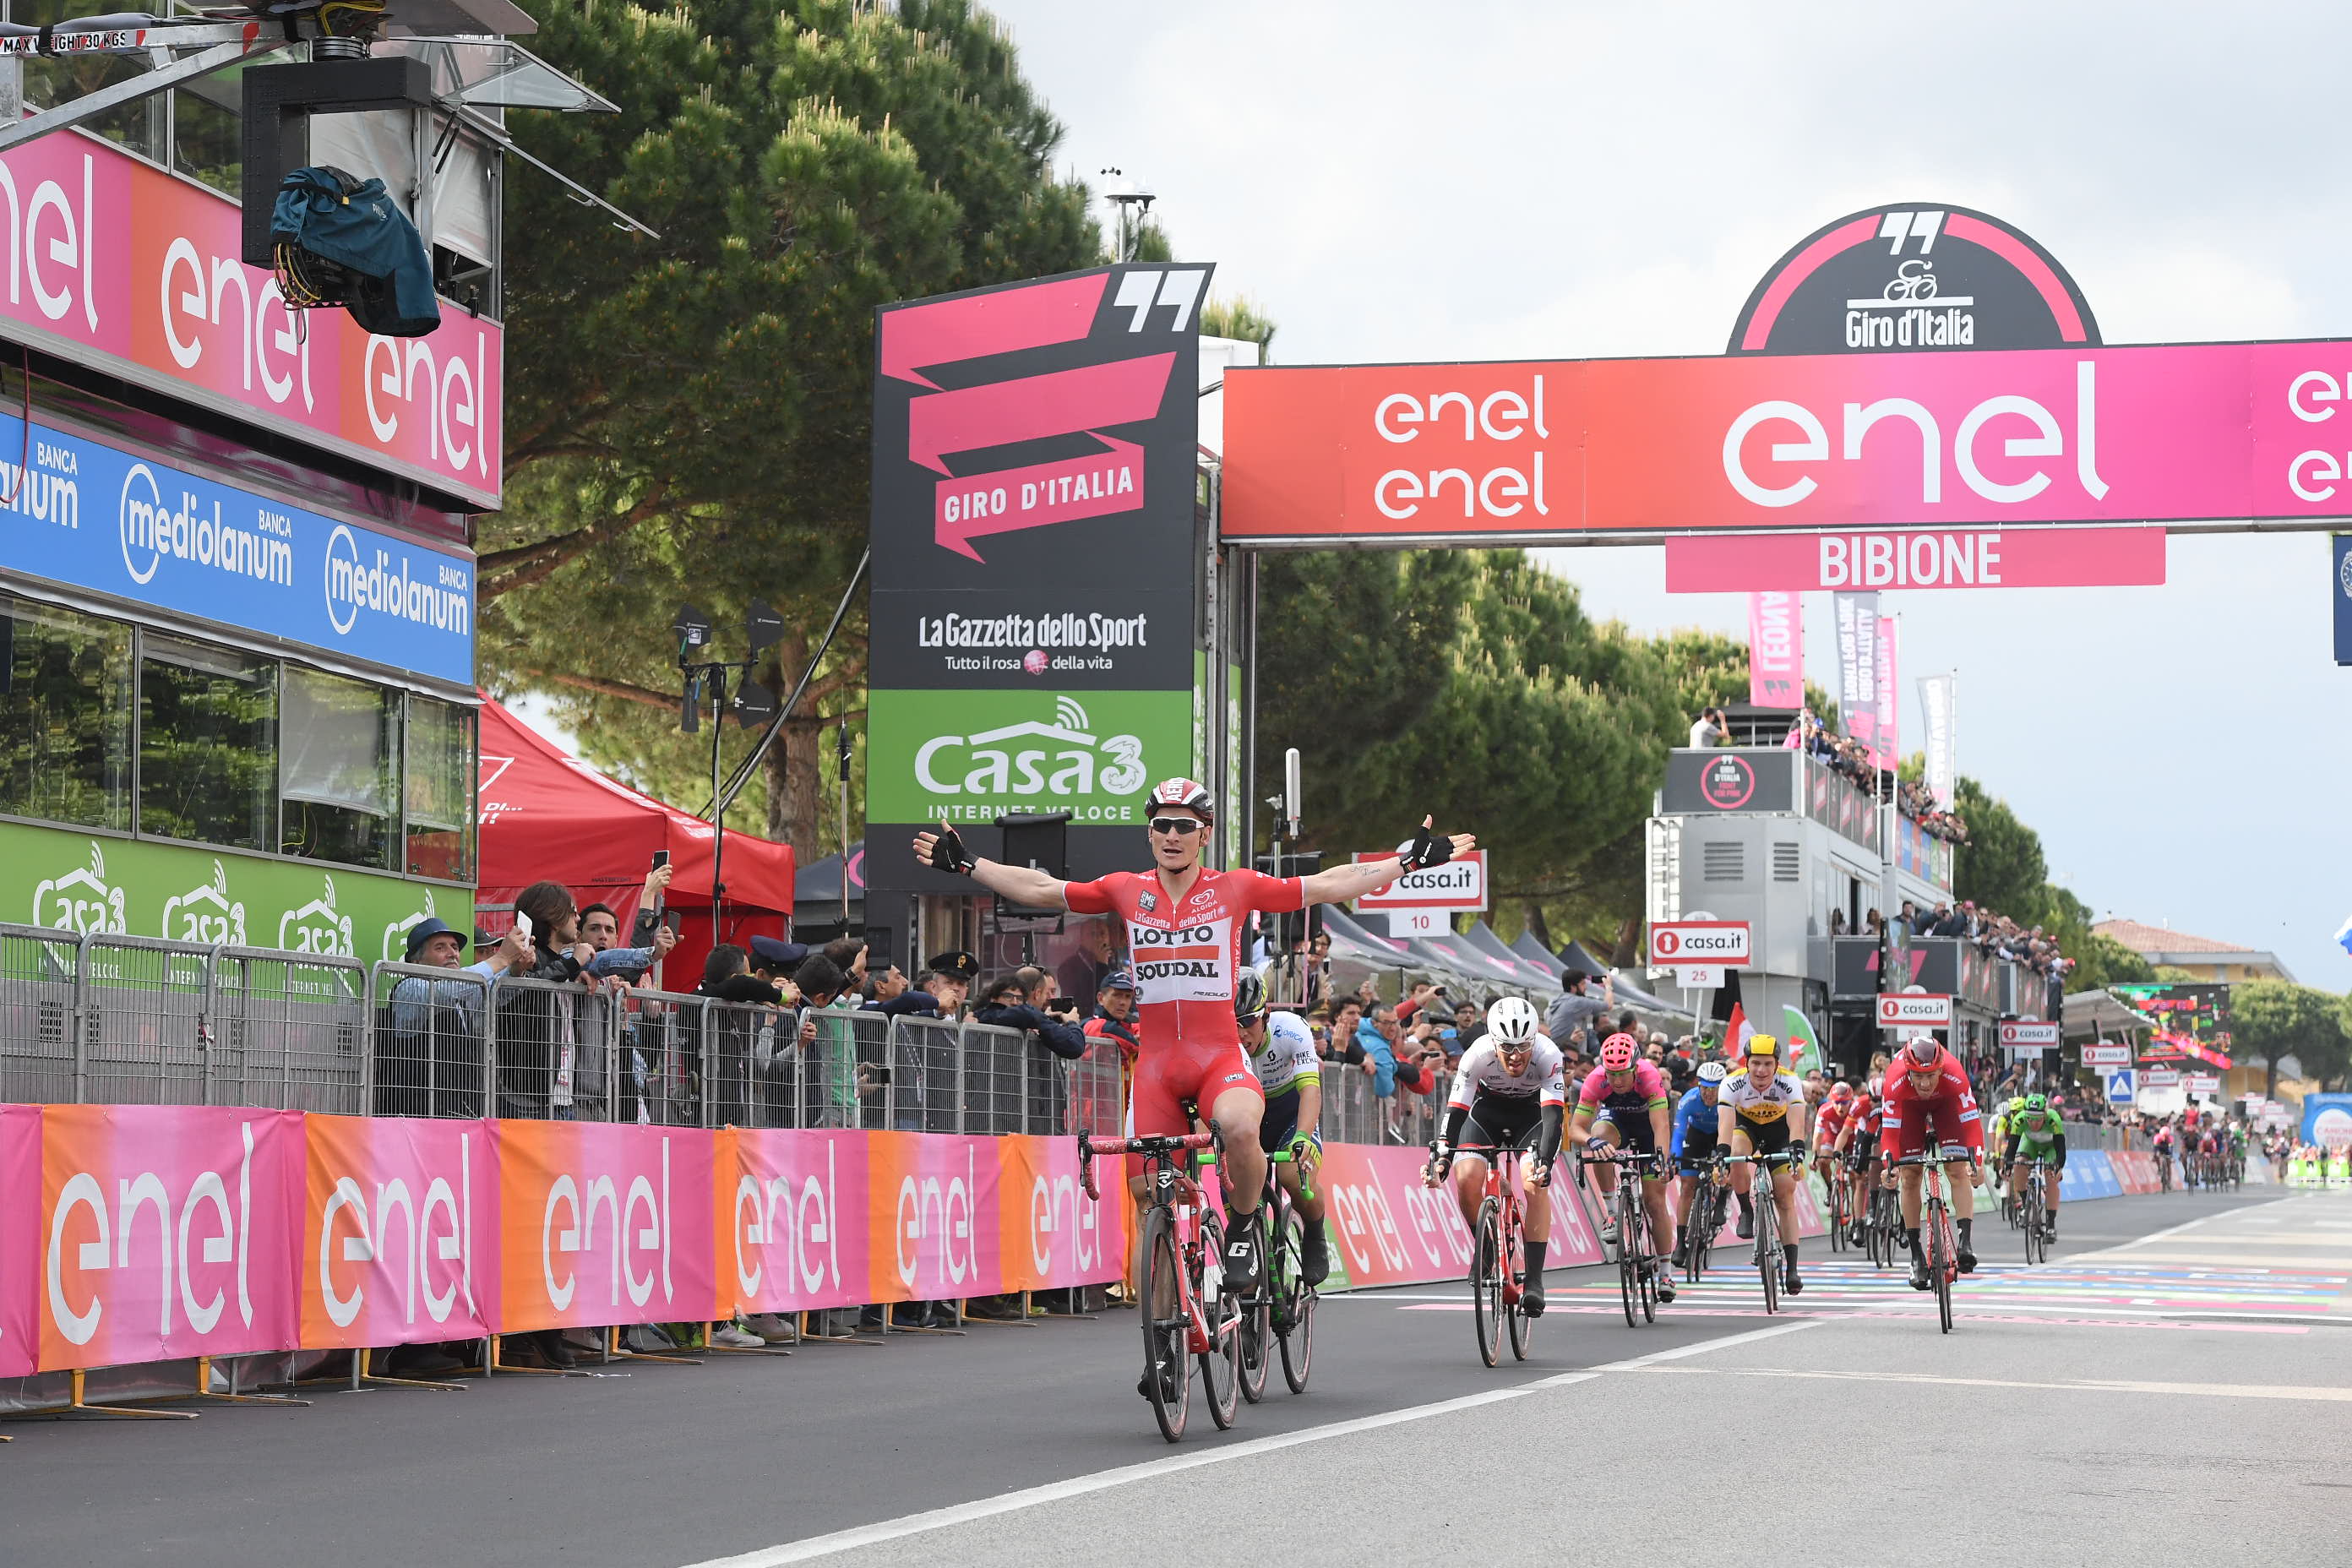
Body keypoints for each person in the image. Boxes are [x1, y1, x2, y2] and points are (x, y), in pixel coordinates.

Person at [912, 779, 1472, 1300]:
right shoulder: (1125, 890)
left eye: (1185, 825)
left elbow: (1326, 885)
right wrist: (969, 864)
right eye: (1162, 825)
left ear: (1206, 832)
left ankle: (1245, 1230)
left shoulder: (1235, 887)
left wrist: (1406, 863)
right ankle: (1166, 1340)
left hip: (1218, 1060)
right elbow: (1041, 888)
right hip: (1157, 1069)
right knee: (1145, 1196)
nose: (1172, 835)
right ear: (1149, 833)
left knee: (1239, 1126)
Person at [1425, 998, 1565, 1315]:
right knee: (1466, 1177)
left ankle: (1534, 1280)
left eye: (1522, 1047)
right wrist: (1444, 1155)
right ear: (1493, 1042)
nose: (1515, 1057)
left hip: (1533, 1116)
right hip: (1487, 1113)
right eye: (1506, 1047)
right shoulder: (1478, 1054)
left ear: (1533, 1041)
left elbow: (1554, 1117)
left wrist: (1545, 1162)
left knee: (1534, 1182)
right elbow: (1456, 1109)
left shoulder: (1547, 1053)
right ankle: (1486, 1248)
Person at [1569, 1031, 1679, 1304]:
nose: (1616, 1080)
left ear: (1635, 1067)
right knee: (1600, 1135)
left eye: (1622, 1073)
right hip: (1616, 1122)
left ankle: (1665, 1272)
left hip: (1648, 1129)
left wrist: (1662, 1157)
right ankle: (1612, 1213)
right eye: (1611, 1074)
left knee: (1655, 1202)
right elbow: (1576, 1129)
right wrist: (1591, 1141)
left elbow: (1661, 1126)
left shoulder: (1649, 1075)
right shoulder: (1596, 1080)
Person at [1234, 974, 1331, 1285]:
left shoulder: (1290, 1028)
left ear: (1265, 1015)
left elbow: (1310, 1091)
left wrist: (1303, 1136)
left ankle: (1315, 1233)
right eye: (1231, 1022)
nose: (1241, 1032)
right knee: (1239, 1196)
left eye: (1247, 1021)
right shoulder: (1224, 1042)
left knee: (1292, 1175)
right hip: (1249, 1114)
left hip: (1290, 1112)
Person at [1877, 1032, 1985, 1290]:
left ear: (1940, 1068)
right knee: (1910, 1174)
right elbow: (1890, 1133)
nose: (1925, 1083)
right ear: (1908, 1071)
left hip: (1945, 1104)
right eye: (1918, 1076)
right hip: (1910, 1110)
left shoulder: (1953, 1072)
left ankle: (1965, 1243)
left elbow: (1971, 1124)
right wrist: (1889, 1168)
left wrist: (1977, 1162)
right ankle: (1916, 1257)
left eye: (1930, 1075)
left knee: (1958, 1169)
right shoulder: (1894, 1079)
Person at [1715, 1034, 1808, 1295]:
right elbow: (1725, 1125)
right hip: (1748, 1128)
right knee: (1736, 1152)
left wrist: (1797, 1155)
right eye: (1755, 1063)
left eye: (1768, 1064)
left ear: (1777, 1065)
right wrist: (1720, 1158)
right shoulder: (1732, 1083)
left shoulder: (1790, 1081)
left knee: (1785, 1194)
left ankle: (1792, 1268)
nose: (1761, 1070)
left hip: (1780, 1132)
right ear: (1746, 1063)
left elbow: (1797, 1124)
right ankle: (1746, 1209)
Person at [1669, 1061, 1728, 1268]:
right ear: (1698, 1085)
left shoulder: (1728, 1100)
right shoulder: (1690, 1100)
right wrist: (1675, 1157)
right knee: (1687, 1186)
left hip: (1721, 1134)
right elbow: (1678, 1132)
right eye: (1704, 1088)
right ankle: (1680, 1243)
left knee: (1728, 1162)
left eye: (1713, 1089)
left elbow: (1734, 1133)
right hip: (1697, 1136)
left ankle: (1721, 1200)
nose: (1708, 1094)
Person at [2000, 1092, 2066, 1239]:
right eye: (2030, 1119)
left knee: (2051, 1176)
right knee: (2018, 1165)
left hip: (2051, 1147)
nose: (2034, 1124)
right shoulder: (2019, 1119)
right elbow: (2012, 1148)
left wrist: (2059, 1166)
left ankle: (2051, 1224)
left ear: (2045, 1114)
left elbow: (2061, 1149)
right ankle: (2026, 1204)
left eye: (2038, 1120)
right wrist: (2007, 1167)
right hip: (2031, 1145)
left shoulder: (2054, 1119)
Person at [1545, 969, 1613, 1054]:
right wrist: (1608, 986)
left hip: (1556, 1055)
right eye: (1583, 984)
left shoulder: (1554, 1003)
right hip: (1572, 1058)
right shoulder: (1577, 1002)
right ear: (1573, 987)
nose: (1586, 987)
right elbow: (1608, 1005)